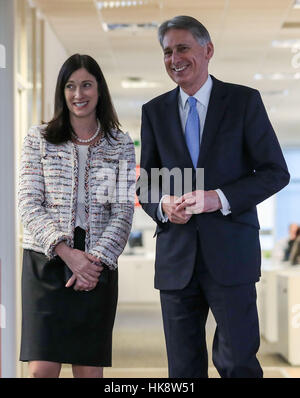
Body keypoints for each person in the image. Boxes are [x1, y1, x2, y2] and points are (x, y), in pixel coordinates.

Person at [138, 16, 290, 378]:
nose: (175, 58)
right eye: (167, 51)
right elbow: (147, 182)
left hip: (231, 255)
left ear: (208, 50)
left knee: (237, 362)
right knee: (183, 369)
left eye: (183, 48)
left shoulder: (242, 102)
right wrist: (163, 206)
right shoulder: (154, 111)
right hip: (177, 260)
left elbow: (275, 172)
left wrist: (217, 197)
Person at [18, 54, 136, 378]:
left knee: (88, 371)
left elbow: (123, 211)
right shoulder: (38, 138)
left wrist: (92, 263)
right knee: (41, 369)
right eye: (70, 86)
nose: (78, 94)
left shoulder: (120, 144)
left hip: (96, 267)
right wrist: (67, 254)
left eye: (86, 84)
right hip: (46, 261)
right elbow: (28, 203)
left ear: (99, 90)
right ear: (62, 91)